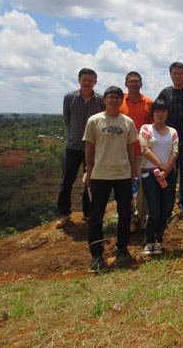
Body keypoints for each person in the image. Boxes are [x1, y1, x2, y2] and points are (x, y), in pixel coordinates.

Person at [83, 86, 139, 270]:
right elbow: (89, 148)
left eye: (117, 97)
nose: (114, 100)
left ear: (121, 100)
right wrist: (89, 171)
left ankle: (122, 248)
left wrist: (133, 171)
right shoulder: (95, 120)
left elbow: (131, 148)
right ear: (105, 100)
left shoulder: (127, 122)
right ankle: (96, 253)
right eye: (110, 97)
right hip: (100, 174)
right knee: (96, 215)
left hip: (122, 174)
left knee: (125, 213)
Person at [56, 68, 106, 229]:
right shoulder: (69, 98)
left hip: (92, 148)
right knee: (67, 180)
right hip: (73, 146)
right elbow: (67, 119)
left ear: (95, 82)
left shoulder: (100, 100)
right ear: (79, 80)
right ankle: (63, 214)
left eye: (90, 80)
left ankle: (88, 213)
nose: (87, 83)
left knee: (90, 181)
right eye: (84, 79)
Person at [139, 99, 178, 255]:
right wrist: (161, 165)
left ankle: (158, 241)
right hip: (150, 173)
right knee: (154, 209)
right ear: (152, 113)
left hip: (168, 174)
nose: (160, 114)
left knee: (164, 209)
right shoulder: (146, 129)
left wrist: (167, 170)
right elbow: (145, 149)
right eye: (157, 111)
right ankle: (149, 241)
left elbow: (175, 151)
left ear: (167, 113)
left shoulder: (173, 131)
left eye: (163, 111)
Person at [155, 62, 183, 213]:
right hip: (168, 141)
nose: (177, 76)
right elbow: (157, 111)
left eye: (180, 73)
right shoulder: (165, 93)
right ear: (170, 75)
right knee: (169, 172)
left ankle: (182, 203)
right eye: (174, 73)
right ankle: (168, 205)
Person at [119, 71, 153, 232]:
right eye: (131, 81)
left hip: (141, 151)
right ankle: (130, 217)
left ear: (141, 84)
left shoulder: (148, 103)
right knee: (124, 186)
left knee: (142, 187)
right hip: (122, 151)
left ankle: (142, 216)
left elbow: (152, 128)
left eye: (137, 81)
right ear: (126, 84)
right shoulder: (119, 101)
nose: (134, 84)